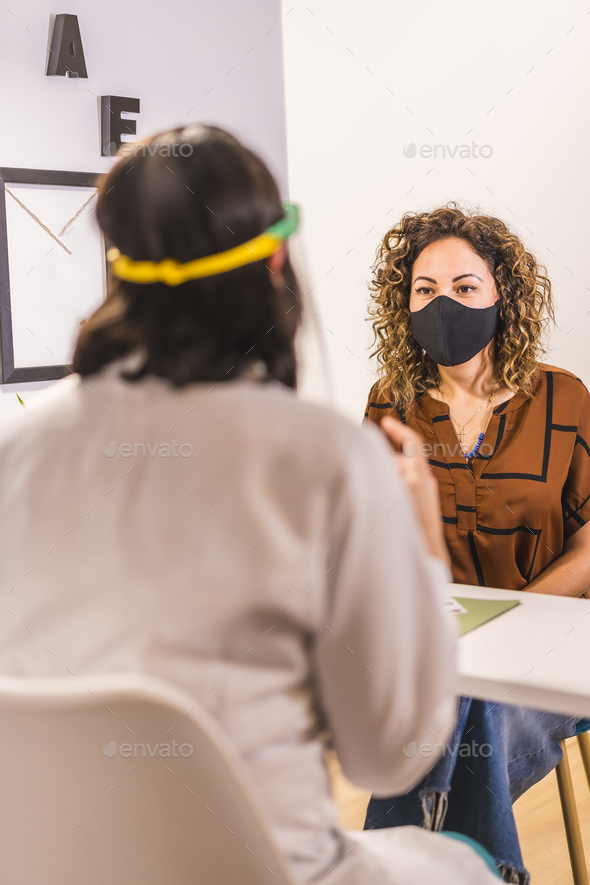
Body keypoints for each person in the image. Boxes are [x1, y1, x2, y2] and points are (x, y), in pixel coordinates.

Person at [0, 128, 500, 884]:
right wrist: (425, 550)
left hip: (49, 867)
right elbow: (393, 754)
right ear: (275, 258)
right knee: (462, 859)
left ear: (117, 269)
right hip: (272, 869)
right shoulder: (328, 457)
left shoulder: (18, 450)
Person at [363, 204, 590, 884]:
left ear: (502, 295)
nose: (444, 304)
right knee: (454, 688)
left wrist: (518, 619)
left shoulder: (564, 399)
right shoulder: (391, 403)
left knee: (472, 700)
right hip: (438, 644)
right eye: (425, 290)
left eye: (465, 287)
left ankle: (398, 863)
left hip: (554, 649)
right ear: (403, 306)